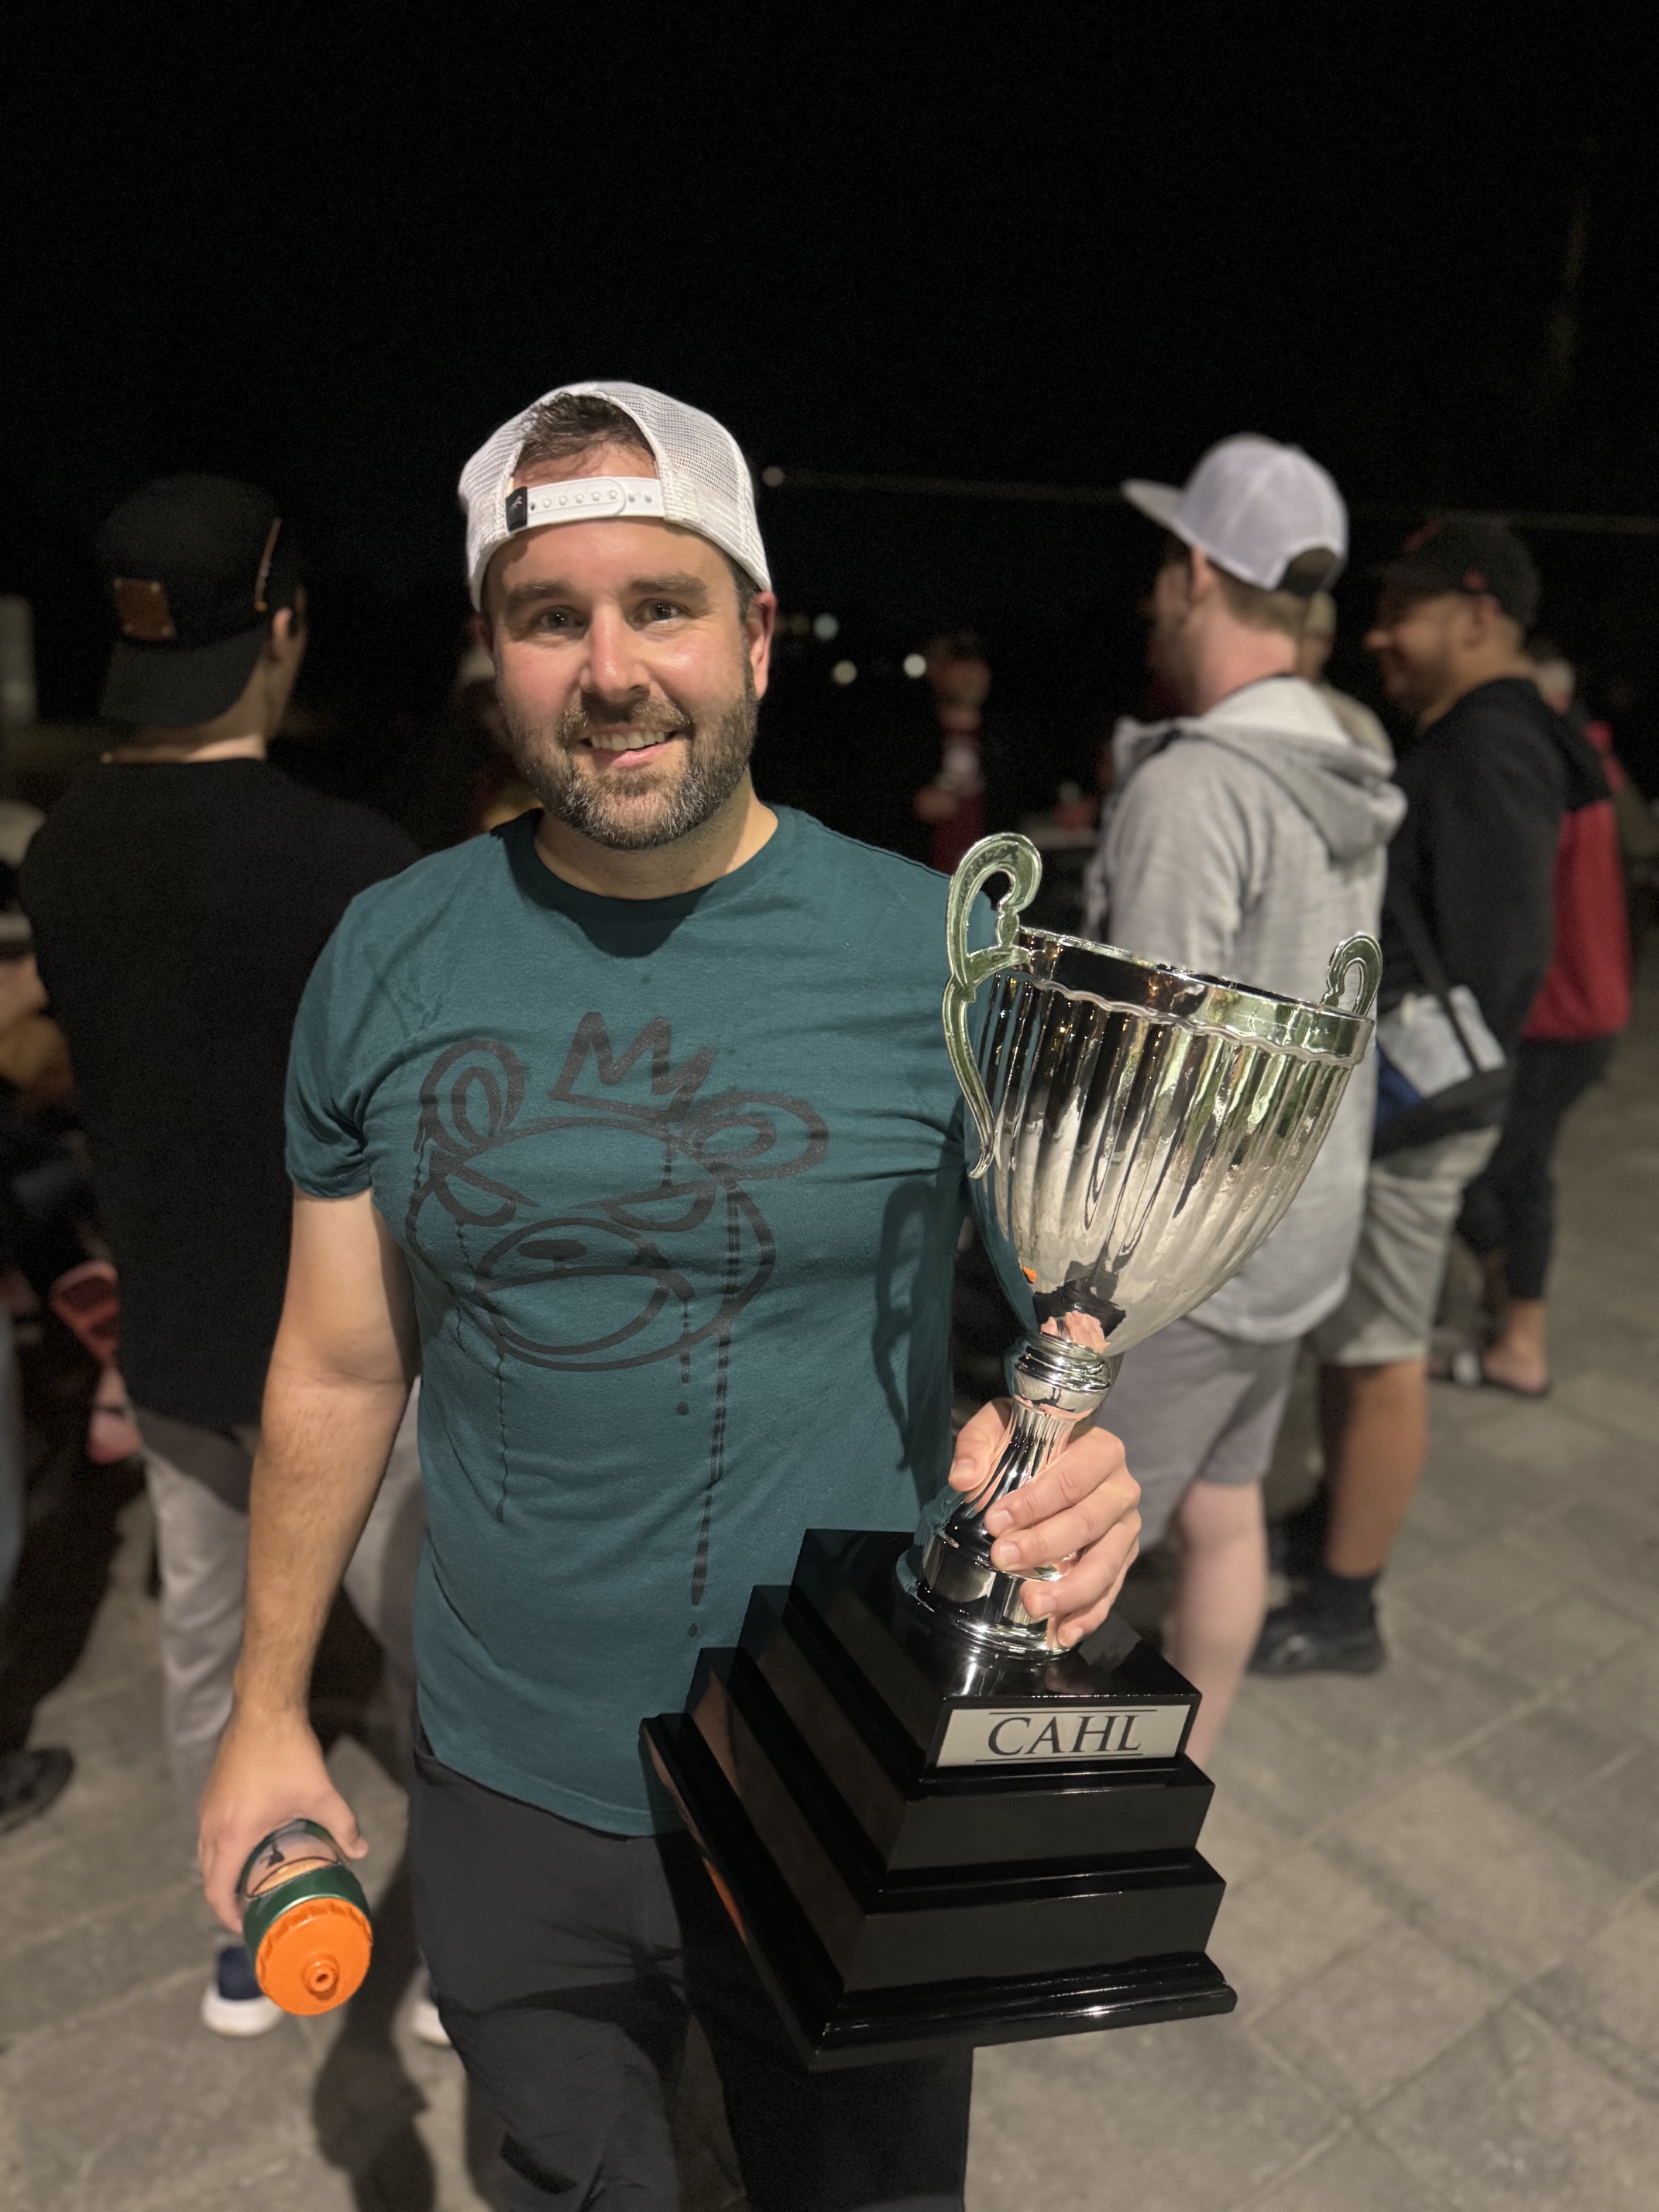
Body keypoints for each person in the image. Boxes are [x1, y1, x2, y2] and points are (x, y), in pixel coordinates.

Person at [194, 382, 1142, 2212]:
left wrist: (1069, 1465)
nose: (611, 668)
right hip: (503, 1776)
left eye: (665, 605)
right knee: (570, 2176)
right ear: (493, 655)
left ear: (761, 636)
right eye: (551, 617)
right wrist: (263, 1709)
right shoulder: (391, 954)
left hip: (842, 1769)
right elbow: (331, 1362)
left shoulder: (942, 954)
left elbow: (1075, 1304)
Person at [19, 476, 428, 2035]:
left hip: (179, 1341)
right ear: (283, 629)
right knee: (430, 1658)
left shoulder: (61, 858)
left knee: (214, 1650)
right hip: (362, 1357)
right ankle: (456, 1940)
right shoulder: (358, 862)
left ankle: (247, 1930)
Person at [1080, 436, 1400, 1760]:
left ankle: (1033, 1841)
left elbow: (1148, 1061)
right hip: (1300, 1223)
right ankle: (1177, 1780)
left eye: (1167, 561)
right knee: (1222, 1506)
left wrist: (1087, 1278)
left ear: (1198, 571)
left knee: (1073, 1557)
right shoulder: (1347, 758)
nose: (1158, 589)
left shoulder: (1200, 782)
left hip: (1185, 1253)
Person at [1255, 517, 1608, 1676]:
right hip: (1428, 1093)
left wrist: (1421, 1075)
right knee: (1361, 1339)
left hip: (1424, 1101)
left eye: (1400, 609)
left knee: (1380, 1347)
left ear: (1475, 614)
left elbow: (1501, 957)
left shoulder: (1490, 742)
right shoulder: (1491, 735)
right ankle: (1329, 1521)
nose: (1376, 633)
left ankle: (1346, 1606)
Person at [1447, 639, 1631, 1395]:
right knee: (1518, 1168)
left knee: (1494, 1172)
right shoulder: (1592, 766)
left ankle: (1520, 1341)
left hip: (1557, 1011)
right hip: (1591, 1003)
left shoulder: (1535, 767)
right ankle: (1508, 1314)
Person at [1295, 590, 1394, 764]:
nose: (1292, 647)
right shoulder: (1249, 706)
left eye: (1304, 637)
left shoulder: (1350, 722)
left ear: (1327, 644)